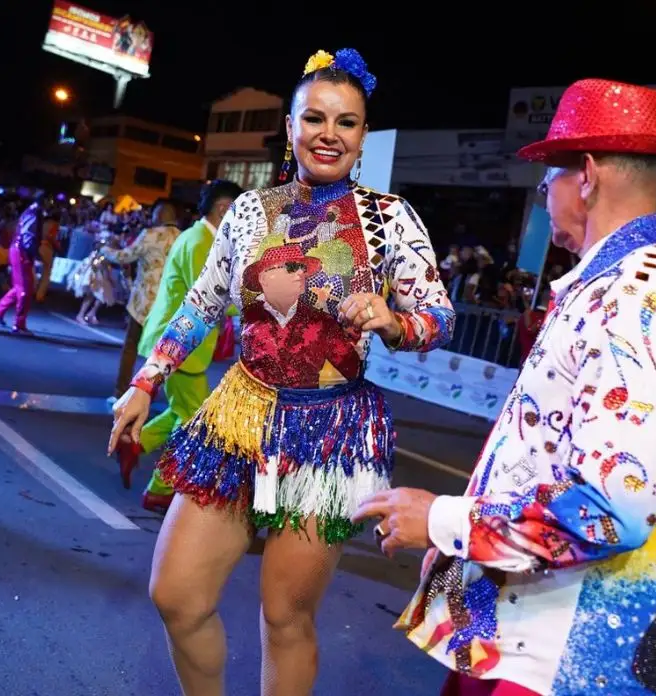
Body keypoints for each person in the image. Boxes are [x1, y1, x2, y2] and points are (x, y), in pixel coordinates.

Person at [108, 48, 452, 696]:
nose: (329, 134)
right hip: (241, 416)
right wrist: (145, 381)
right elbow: (201, 305)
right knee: (176, 594)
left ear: (362, 136)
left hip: (328, 434)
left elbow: (439, 316)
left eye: (346, 122)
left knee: (285, 617)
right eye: (314, 118)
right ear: (290, 128)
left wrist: (395, 322)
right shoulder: (247, 211)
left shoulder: (389, 219)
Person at [355, 79, 656, 695]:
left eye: (548, 177)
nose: (544, 195)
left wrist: (446, 521)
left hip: (565, 653)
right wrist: (467, 544)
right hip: (525, 627)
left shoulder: (640, 302)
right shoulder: (614, 285)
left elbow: (608, 510)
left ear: (587, 176)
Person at [117, 179, 244, 513]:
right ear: (224, 209)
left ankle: (136, 442)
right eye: (242, 214)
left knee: (181, 412)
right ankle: (159, 489)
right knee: (193, 422)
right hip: (178, 344)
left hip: (181, 345)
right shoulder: (200, 241)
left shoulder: (201, 238)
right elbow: (211, 297)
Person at [102, 200, 182, 399]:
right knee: (159, 355)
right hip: (167, 306)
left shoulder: (150, 235)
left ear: (159, 216)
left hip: (143, 303)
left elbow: (124, 256)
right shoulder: (182, 238)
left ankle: (120, 392)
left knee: (130, 347)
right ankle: (146, 396)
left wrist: (104, 249)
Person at [0, 197, 45, 333]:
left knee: (19, 286)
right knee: (25, 289)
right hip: (22, 252)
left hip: (18, 250)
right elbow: (29, 235)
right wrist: (34, 254)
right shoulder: (34, 213)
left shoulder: (30, 212)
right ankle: (19, 323)